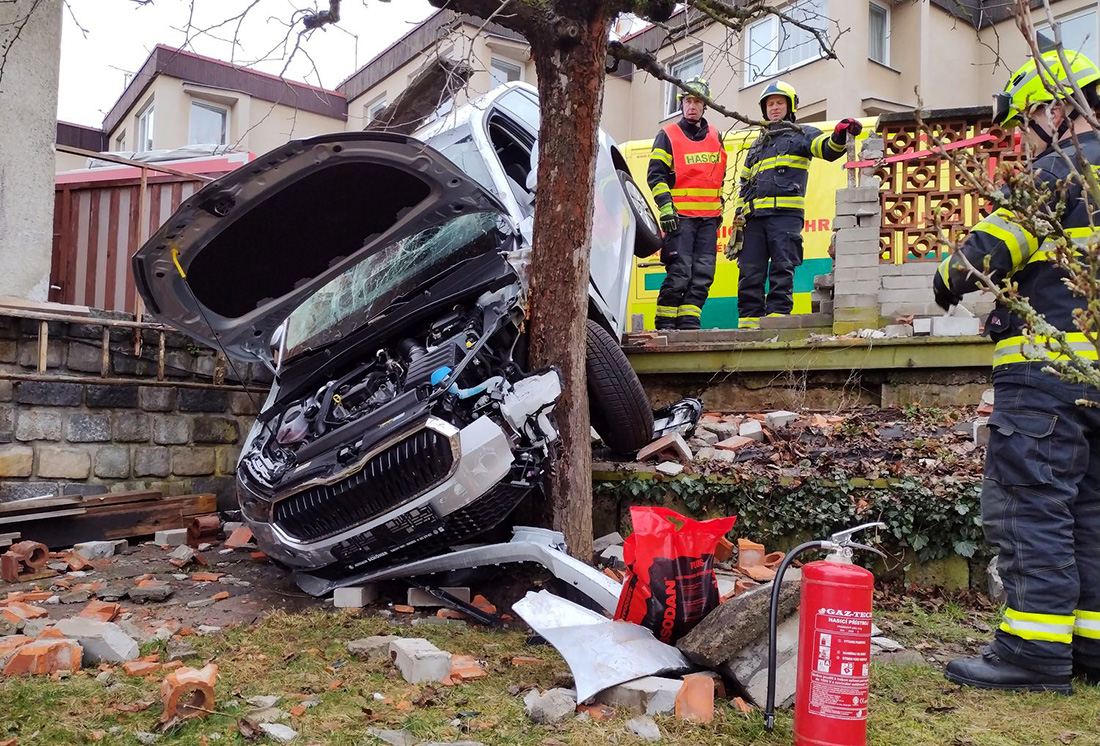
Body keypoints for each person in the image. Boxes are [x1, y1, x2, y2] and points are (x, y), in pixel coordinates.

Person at [936, 50, 1100, 694]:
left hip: (1047, 379)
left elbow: (971, 264)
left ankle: (1032, 651)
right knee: (1090, 511)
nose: (1021, 142)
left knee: (1033, 507)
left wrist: (953, 278)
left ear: (1052, 110)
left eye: (1024, 125)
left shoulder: (1058, 171)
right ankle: (1088, 645)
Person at [727, 81, 862, 328]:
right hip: (754, 220)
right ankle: (747, 325)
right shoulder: (757, 145)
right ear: (764, 109)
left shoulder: (802, 134)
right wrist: (738, 219)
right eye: (770, 104)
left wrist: (839, 135)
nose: (774, 108)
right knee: (749, 271)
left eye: (779, 103)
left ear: (790, 107)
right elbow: (744, 183)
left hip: (784, 218)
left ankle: (776, 322)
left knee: (782, 268)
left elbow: (827, 149)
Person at [647, 76, 728, 330]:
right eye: (688, 101)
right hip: (680, 219)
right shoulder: (668, 135)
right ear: (681, 105)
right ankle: (665, 325)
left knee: (703, 275)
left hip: (708, 220)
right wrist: (666, 207)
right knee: (680, 273)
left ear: (705, 106)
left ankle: (689, 323)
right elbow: (656, 175)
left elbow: (718, 176)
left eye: (697, 101)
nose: (692, 106)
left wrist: (719, 207)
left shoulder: (716, 135)